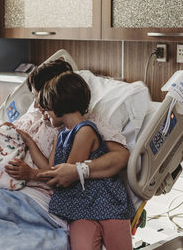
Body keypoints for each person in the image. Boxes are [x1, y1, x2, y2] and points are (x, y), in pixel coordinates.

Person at [0, 59, 130, 189]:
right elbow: (6, 134)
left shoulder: (85, 125)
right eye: (35, 98)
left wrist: (79, 171)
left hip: (31, 191)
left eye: (39, 98)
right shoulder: (35, 115)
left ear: (56, 95)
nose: (36, 105)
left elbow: (121, 156)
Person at [37, 71, 134, 250]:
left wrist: (32, 174)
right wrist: (28, 142)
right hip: (78, 208)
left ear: (59, 103)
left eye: (47, 107)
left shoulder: (85, 130)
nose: (42, 112)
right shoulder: (60, 135)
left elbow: (67, 172)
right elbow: (53, 169)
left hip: (106, 202)